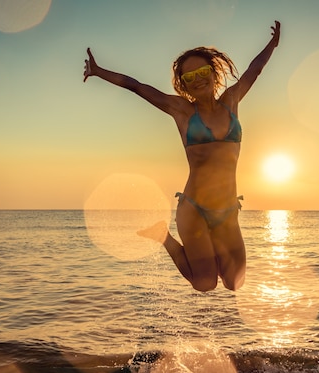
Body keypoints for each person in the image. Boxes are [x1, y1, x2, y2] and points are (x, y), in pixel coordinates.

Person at [83, 21, 281, 292]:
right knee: (205, 283)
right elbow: (137, 86)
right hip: (194, 209)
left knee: (235, 282)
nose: (198, 79)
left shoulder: (232, 100)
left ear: (213, 73)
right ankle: (164, 236)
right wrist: (98, 71)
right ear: (184, 85)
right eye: (189, 77)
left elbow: (254, 70)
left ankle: (209, 251)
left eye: (202, 71)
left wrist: (272, 44)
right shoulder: (182, 111)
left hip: (227, 210)